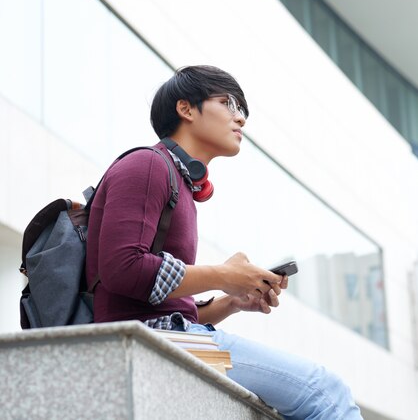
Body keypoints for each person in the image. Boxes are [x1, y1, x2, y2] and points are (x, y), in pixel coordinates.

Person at [86, 65, 363, 419]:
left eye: (242, 110)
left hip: (167, 331)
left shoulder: (179, 182)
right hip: (151, 337)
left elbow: (165, 304)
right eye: (229, 103)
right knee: (326, 393)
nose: (240, 119)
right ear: (186, 109)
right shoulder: (147, 165)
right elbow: (122, 269)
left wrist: (231, 301)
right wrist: (223, 274)